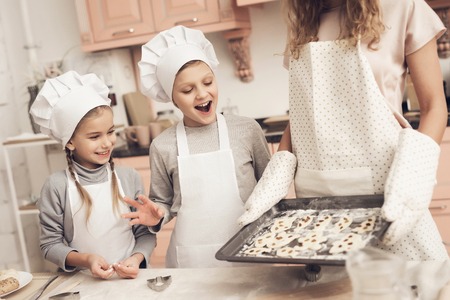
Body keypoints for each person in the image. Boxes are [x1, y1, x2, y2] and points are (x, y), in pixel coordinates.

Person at [238, 0, 449, 261]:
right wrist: (278, 173)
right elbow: (303, 113)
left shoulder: (403, 7)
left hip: (389, 189)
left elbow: (434, 107)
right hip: (315, 201)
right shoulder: (301, 23)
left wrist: (414, 176)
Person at [121, 25, 271, 268]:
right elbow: (163, 201)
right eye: (188, 90)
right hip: (194, 262)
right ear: (173, 97)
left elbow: (271, 187)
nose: (202, 94)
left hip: (249, 250)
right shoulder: (163, 145)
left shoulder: (247, 130)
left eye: (208, 82)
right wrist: (156, 216)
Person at [29, 70, 155, 279]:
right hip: (81, 282)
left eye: (110, 131)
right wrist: (86, 259)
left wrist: (135, 259)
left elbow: (144, 234)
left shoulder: (129, 177)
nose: (107, 142)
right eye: (95, 136)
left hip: (128, 280)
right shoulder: (57, 186)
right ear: (70, 141)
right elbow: (49, 245)